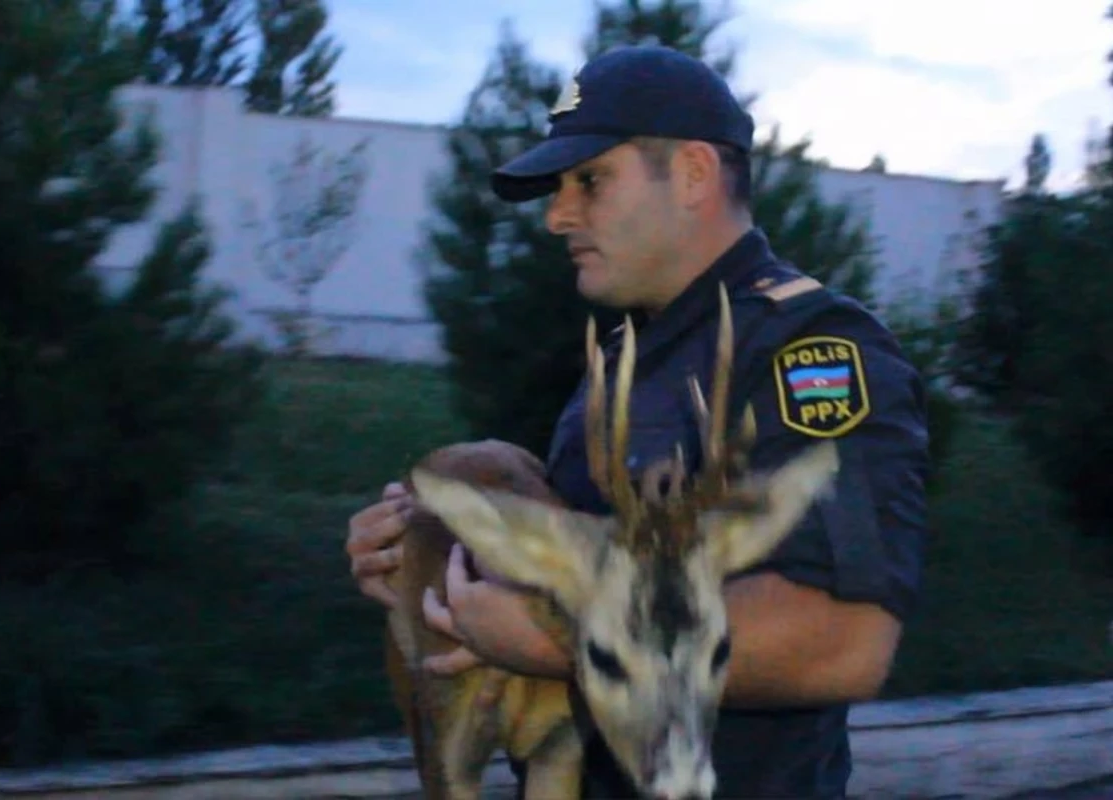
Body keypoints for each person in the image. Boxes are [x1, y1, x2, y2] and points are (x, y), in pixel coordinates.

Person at [346, 43, 929, 799]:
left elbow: (840, 640)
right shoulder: (621, 360)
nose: (559, 215)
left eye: (590, 181)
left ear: (692, 174)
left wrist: (559, 641)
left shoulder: (809, 348)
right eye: (558, 188)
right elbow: (587, 566)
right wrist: (431, 565)